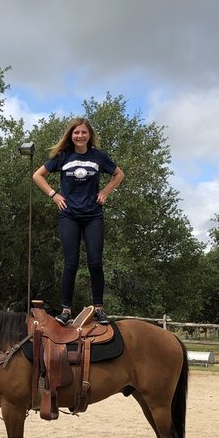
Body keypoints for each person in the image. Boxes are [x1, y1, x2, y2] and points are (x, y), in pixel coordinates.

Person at [32, 117, 125, 325]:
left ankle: (99, 308)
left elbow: (119, 174)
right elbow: (37, 175)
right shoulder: (62, 156)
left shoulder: (98, 157)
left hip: (93, 215)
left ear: (89, 135)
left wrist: (105, 192)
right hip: (69, 215)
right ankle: (65, 310)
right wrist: (53, 194)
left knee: (95, 262)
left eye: (84, 132)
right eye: (76, 133)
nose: (80, 136)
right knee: (71, 263)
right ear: (71, 135)